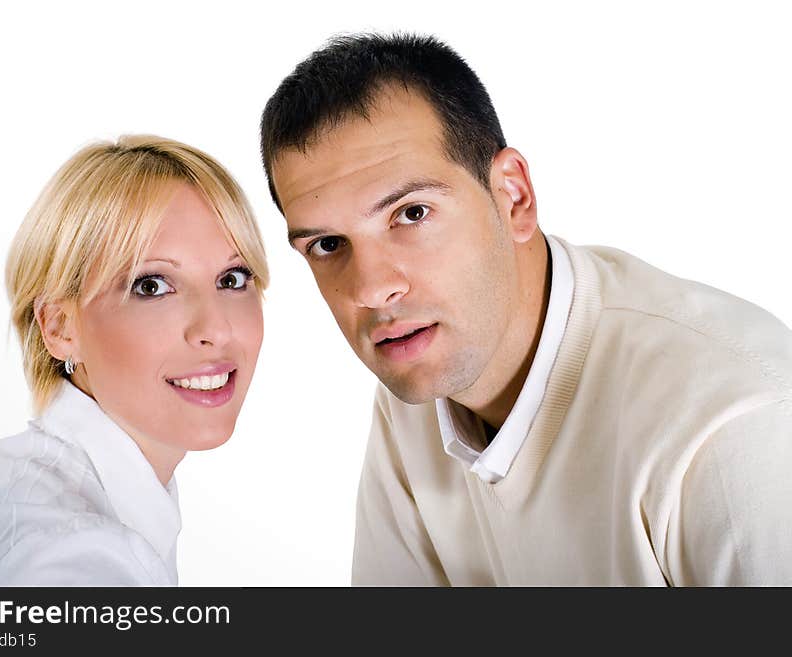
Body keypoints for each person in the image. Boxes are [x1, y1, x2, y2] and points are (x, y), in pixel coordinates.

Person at [260, 33, 792, 585]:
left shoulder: (730, 424)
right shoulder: (419, 379)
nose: (371, 290)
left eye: (412, 213)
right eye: (326, 245)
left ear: (513, 196)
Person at [0, 135, 268, 585]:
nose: (216, 329)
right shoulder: (70, 559)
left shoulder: (62, 495)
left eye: (233, 278)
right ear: (60, 328)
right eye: (152, 286)